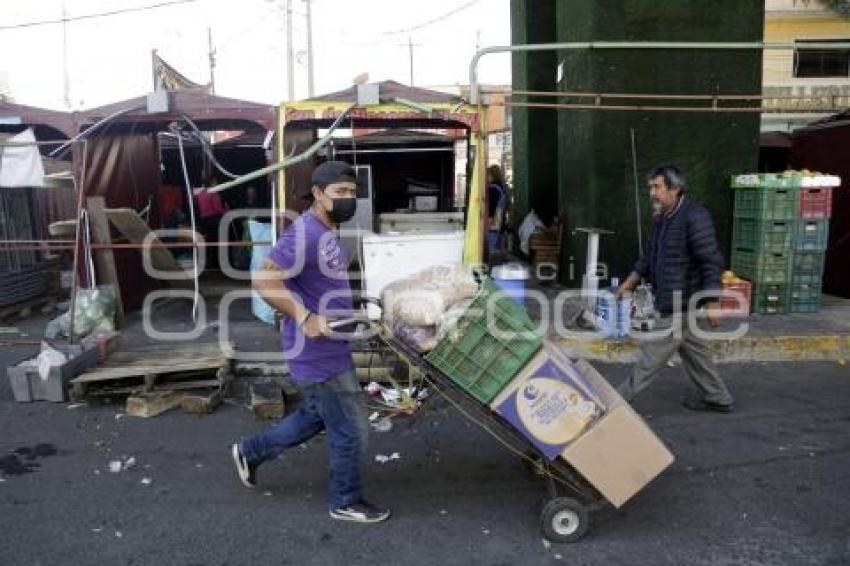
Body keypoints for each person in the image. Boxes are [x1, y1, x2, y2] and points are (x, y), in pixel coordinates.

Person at [231, 161, 390, 523]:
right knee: (350, 429)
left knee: (317, 415)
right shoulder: (304, 234)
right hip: (317, 354)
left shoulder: (327, 229)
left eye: (352, 192)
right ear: (318, 194)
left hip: (333, 345)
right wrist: (305, 316)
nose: (348, 199)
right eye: (340, 193)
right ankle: (345, 500)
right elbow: (264, 279)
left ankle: (251, 452)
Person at [616, 165, 734, 413]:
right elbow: (649, 256)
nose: (651, 193)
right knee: (695, 352)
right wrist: (629, 281)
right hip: (674, 299)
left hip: (679, 301)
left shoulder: (694, 216)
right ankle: (718, 397)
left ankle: (614, 402)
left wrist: (714, 302)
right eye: (650, 187)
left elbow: (710, 259)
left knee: (650, 358)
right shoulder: (662, 218)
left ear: (675, 189)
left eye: (657, 187)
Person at [486, 164, 509, 254]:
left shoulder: (492, 189)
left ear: (492, 175)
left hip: (493, 225)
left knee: (492, 252)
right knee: (500, 251)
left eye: (488, 175)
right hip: (502, 223)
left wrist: (489, 220)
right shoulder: (503, 188)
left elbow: (491, 207)